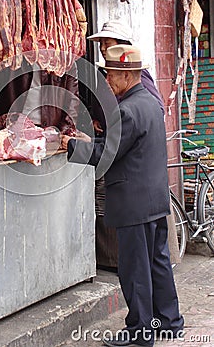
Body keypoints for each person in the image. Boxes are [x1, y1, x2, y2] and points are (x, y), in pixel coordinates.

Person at [61, 45, 184, 347]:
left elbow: (107, 156)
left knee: (135, 270)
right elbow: (126, 145)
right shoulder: (149, 103)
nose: (108, 82)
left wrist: (71, 145)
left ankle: (140, 332)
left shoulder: (127, 111)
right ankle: (170, 322)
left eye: (112, 75)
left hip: (133, 204)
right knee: (158, 262)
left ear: (128, 75)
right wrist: (95, 139)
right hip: (154, 200)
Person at [87, 19, 180, 269]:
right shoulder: (113, 81)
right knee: (149, 256)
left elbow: (148, 112)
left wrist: (114, 128)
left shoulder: (137, 86)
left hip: (136, 171)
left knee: (142, 255)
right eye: (102, 44)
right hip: (137, 174)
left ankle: (139, 298)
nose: (104, 48)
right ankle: (116, 262)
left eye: (108, 43)